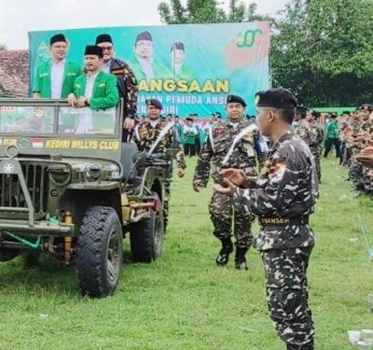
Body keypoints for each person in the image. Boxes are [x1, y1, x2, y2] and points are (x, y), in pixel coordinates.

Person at [214, 88, 318, 350]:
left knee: (289, 311)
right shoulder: (285, 147)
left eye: (259, 113)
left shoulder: (288, 150)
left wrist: (237, 194)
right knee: (285, 307)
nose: (256, 119)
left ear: (271, 115)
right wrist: (246, 180)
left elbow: (273, 200)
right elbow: (275, 185)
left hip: (286, 239)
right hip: (283, 238)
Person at [193, 94, 262, 270]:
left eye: (238, 106)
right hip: (222, 182)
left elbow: (263, 155)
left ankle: (241, 256)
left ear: (244, 109)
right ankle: (225, 245)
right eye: (231, 106)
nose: (234, 109)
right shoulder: (214, 129)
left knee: (245, 218)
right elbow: (205, 155)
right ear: (226, 109)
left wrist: (264, 179)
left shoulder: (254, 129)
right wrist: (199, 179)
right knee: (218, 213)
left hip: (246, 182)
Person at [134, 99, 186, 228]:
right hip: (144, 168)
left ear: (160, 110)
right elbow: (134, 147)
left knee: (164, 196)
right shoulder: (139, 127)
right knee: (143, 195)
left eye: (156, 108)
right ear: (147, 110)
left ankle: (162, 225)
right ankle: (144, 225)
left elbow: (176, 147)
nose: (153, 110)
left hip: (163, 167)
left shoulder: (168, 127)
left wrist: (181, 166)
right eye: (151, 108)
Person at [95, 33, 138, 141]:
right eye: (102, 48)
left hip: (119, 114)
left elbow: (132, 90)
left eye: (109, 48)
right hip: (95, 113)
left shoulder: (122, 66)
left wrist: (130, 116)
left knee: (118, 147)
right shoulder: (89, 67)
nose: (106, 51)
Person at [67, 45, 118, 133]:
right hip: (79, 128)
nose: (88, 61)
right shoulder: (78, 80)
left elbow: (113, 99)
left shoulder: (109, 78)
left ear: (100, 61)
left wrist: (88, 101)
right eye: (86, 58)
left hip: (100, 128)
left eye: (92, 58)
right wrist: (71, 95)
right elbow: (75, 96)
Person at [32, 33, 82, 99]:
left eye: (64, 47)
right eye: (58, 46)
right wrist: (38, 107)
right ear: (50, 48)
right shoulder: (41, 68)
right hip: (47, 107)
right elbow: (36, 92)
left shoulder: (76, 68)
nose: (62, 49)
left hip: (68, 108)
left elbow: (80, 91)